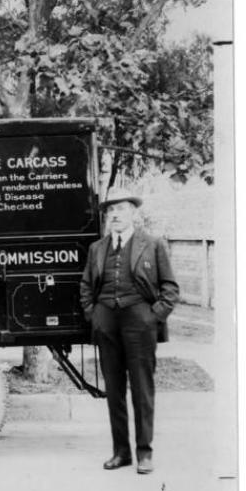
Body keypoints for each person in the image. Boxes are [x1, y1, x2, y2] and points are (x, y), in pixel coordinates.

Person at [80, 187, 179, 475]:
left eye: (121, 209)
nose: (115, 215)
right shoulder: (97, 249)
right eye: (111, 210)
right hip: (106, 322)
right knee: (114, 391)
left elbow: (170, 288)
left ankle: (144, 454)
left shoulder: (153, 244)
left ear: (134, 213)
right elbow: (86, 286)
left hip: (140, 322)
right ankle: (120, 453)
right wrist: (93, 314)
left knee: (142, 390)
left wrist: (154, 316)